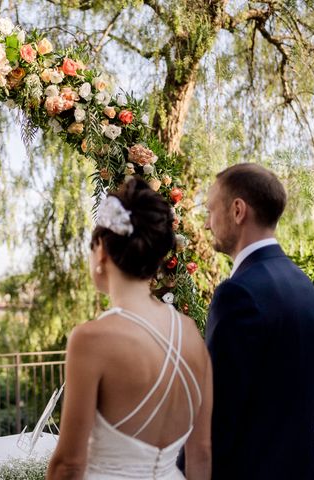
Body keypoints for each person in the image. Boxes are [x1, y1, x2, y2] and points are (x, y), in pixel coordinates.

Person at [47, 177, 213, 480]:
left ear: (101, 254)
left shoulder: (90, 339)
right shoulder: (191, 332)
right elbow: (201, 452)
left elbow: (68, 465)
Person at [203, 163, 314, 479]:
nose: (207, 224)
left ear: (238, 210)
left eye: (211, 210)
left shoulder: (238, 293)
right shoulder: (303, 285)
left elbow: (217, 420)